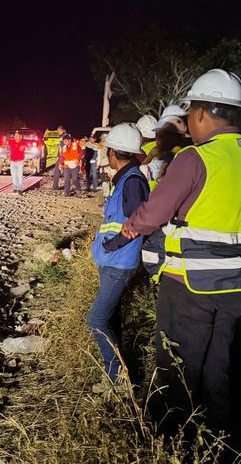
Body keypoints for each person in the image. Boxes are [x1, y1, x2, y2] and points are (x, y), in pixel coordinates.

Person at [121, 69, 241, 428]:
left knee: (178, 363)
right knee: (218, 360)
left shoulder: (194, 158)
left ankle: (173, 432)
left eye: (190, 112)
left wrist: (131, 227)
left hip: (188, 284)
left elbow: (153, 214)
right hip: (236, 286)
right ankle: (216, 430)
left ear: (202, 112)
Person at [88, 124, 149, 381]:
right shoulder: (126, 179)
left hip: (119, 262)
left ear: (113, 152)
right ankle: (119, 371)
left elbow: (140, 221)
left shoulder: (132, 182)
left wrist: (111, 244)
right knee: (109, 318)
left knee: (96, 319)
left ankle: (117, 376)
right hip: (113, 260)